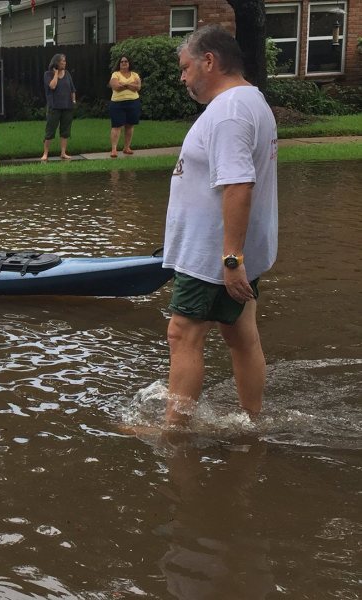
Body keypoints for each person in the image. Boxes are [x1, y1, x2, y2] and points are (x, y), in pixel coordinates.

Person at [162, 24, 278, 425]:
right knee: (241, 334)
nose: (182, 77)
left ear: (208, 61)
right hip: (225, 253)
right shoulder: (250, 101)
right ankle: (252, 421)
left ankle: (173, 434)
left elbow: (239, 186)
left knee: (182, 334)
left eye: (185, 67)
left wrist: (231, 260)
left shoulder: (229, 111)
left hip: (213, 256)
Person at [40, 53, 77, 161]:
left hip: (67, 106)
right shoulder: (48, 74)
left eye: (65, 61)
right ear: (56, 62)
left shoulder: (68, 74)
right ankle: (45, 153)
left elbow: (72, 89)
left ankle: (63, 152)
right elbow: (52, 86)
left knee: (65, 130)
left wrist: (73, 101)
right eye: (62, 61)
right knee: (50, 130)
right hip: (54, 107)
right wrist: (56, 74)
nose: (64, 63)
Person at [108, 56, 141, 158]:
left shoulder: (135, 75)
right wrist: (130, 84)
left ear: (129, 63)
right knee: (116, 126)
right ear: (119, 63)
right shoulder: (115, 74)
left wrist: (123, 83)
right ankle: (114, 149)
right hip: (117, 103)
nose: (124, 63)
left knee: (130, 125)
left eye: (126, 61)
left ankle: (127, 147)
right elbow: (116, 87)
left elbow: (138, 87)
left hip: (133, 102)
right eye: (122, 61)